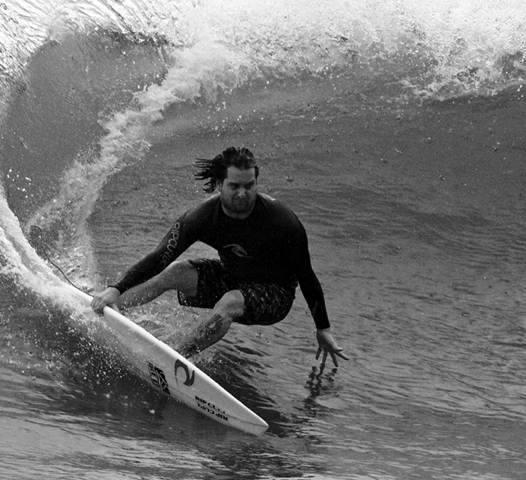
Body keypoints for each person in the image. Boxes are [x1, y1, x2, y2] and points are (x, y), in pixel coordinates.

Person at [91, 147, 347, 367]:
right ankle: (108, 309)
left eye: (250, 186)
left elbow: (306, 275)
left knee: (231, 300)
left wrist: (322, 327)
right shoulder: (202, 217)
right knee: (176, 271)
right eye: (234, 186)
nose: (243, 193)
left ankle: (176, 360)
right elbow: (160, 257)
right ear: (219, 185)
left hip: (275, 294)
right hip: (232, 277)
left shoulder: (282, 222)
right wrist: (116, 288)